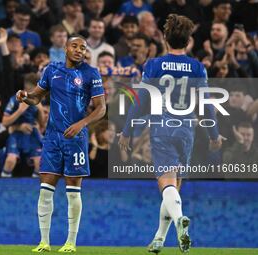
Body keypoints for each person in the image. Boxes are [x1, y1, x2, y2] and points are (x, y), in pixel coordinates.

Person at [118, 14, 224, 253]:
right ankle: (159, 239)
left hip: (162, 128)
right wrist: (214, 135)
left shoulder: (154, 65)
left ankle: (180, 221)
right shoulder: (198, 67)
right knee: (173, 188)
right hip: (187, 130)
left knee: (166, 186)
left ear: (165, 38)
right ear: (188, 41)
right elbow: (207, 104)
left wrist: (127, 130)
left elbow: (141, 99)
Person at [16, 34, 106, 252]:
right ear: (65, 48)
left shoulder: (91, 74)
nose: (78, 50)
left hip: (75, 139)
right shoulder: (51, 70)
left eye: (82, 48)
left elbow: (101, 108)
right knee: (45, 189)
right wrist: (25, 96)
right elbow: (37, 97)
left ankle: (70, 242)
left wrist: (82, 124)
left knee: (73, 191)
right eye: (74, 46)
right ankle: (44, 242)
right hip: (52, 138)